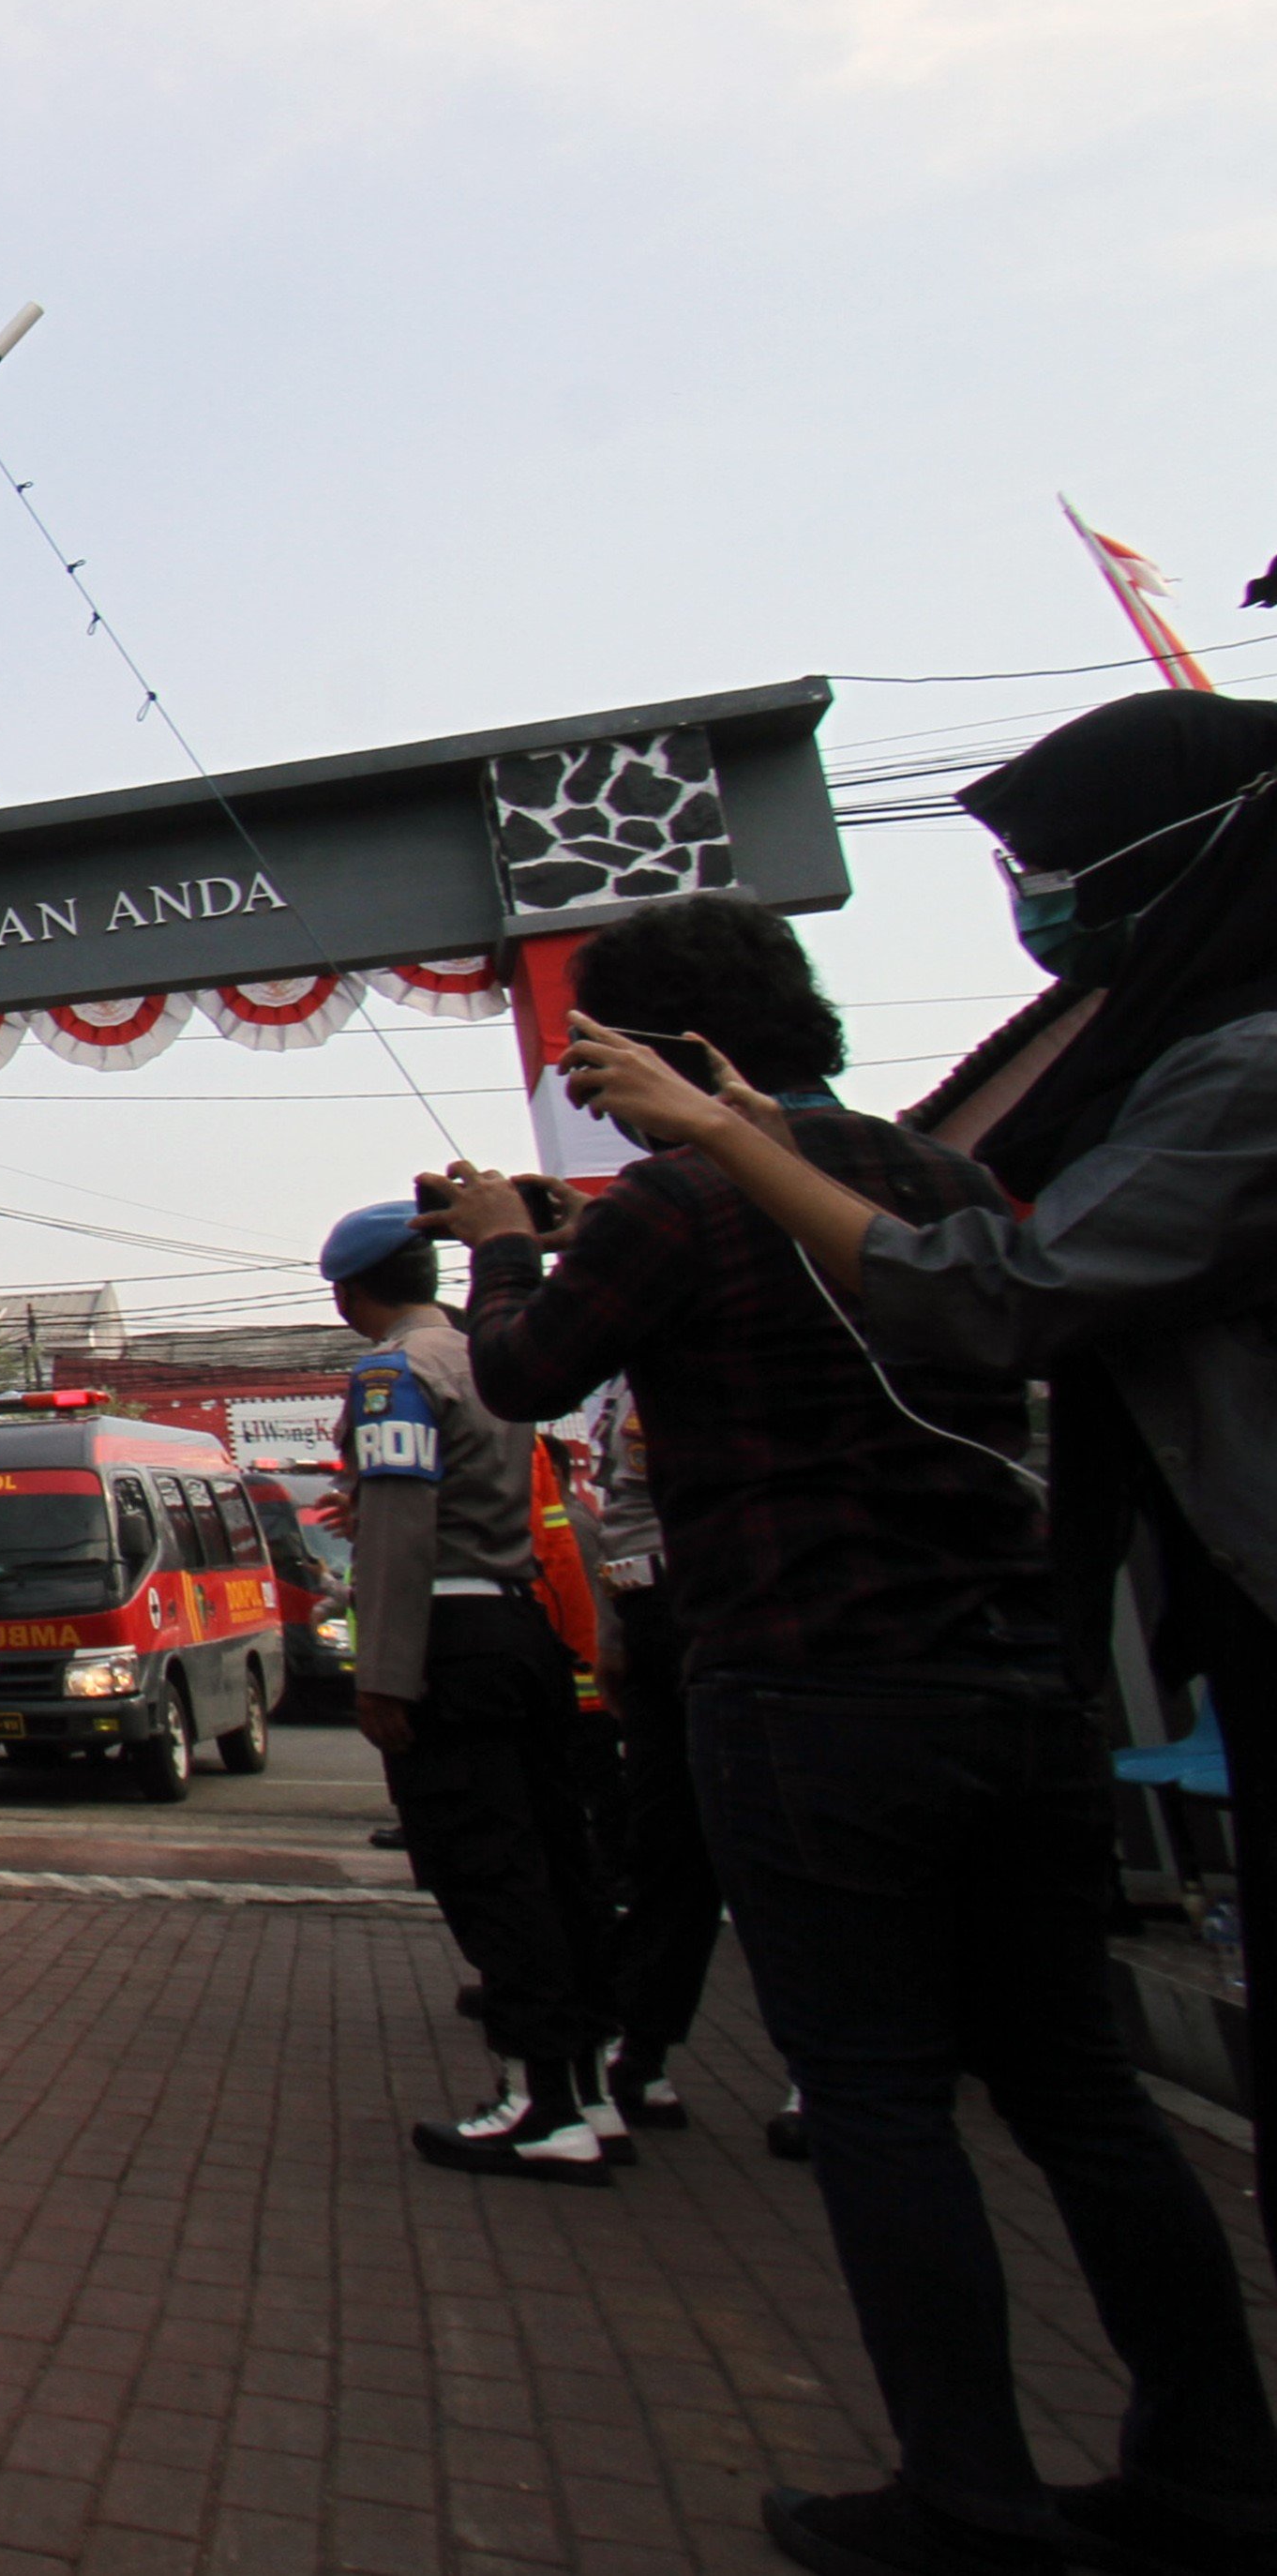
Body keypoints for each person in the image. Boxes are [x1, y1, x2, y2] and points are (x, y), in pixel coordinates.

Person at [436, 893, 1277, 2576]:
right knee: (1081, 2093)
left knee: (878, 2095)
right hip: (1018, 1690)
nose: (586, 1082)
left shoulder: (675, 1205)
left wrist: (505, 1238)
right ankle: (1215, 2465)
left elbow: (525, 1375)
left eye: (595, 1051)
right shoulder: (956, 1184)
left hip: (809, 1694)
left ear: (665, 1051)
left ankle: (968, 2490)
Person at [321, 1198, 618, 2184]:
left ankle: (539, 2102)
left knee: (485, 1866)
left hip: (447, 1636)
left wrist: (383, 1674)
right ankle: (586, 2084)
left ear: (347, 1290)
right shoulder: (488, 1356)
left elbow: (400, 1527)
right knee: (552, 1857)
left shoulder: (390, 1373)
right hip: (518, 1621)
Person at [579, 1370, 719, 2135]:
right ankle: (641, 2049)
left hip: (748, 1599)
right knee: (666, 1843)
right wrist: (615, 1628)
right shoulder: (624, 1376)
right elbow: (622, 1511)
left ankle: (821, 2075)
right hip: (655, 1612)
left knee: (786, 1844)